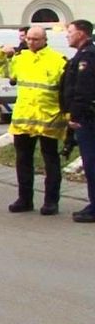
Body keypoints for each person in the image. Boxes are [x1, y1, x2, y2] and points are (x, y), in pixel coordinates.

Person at [0, 25, 68, 215]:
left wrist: (67, 115)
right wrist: (1, 53)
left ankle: (51, 201)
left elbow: (65, 90)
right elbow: (3, 72)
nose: (31, 42)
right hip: (24, 119)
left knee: (50, 161)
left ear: (44, 40)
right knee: (23, 161)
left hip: (48, 118)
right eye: (29, 39)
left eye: (35, 39)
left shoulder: (57, 60)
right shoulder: (21, 58)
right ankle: (24, 199)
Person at [61, 19, 95, 223]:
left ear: (81, 34)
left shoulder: (87, 57)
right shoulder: (83, 55)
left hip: (87, 118)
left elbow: (82, 90)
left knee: (91, 163)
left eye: (70, 32)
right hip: (86, 116)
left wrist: (74, 116)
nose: (67, 35)